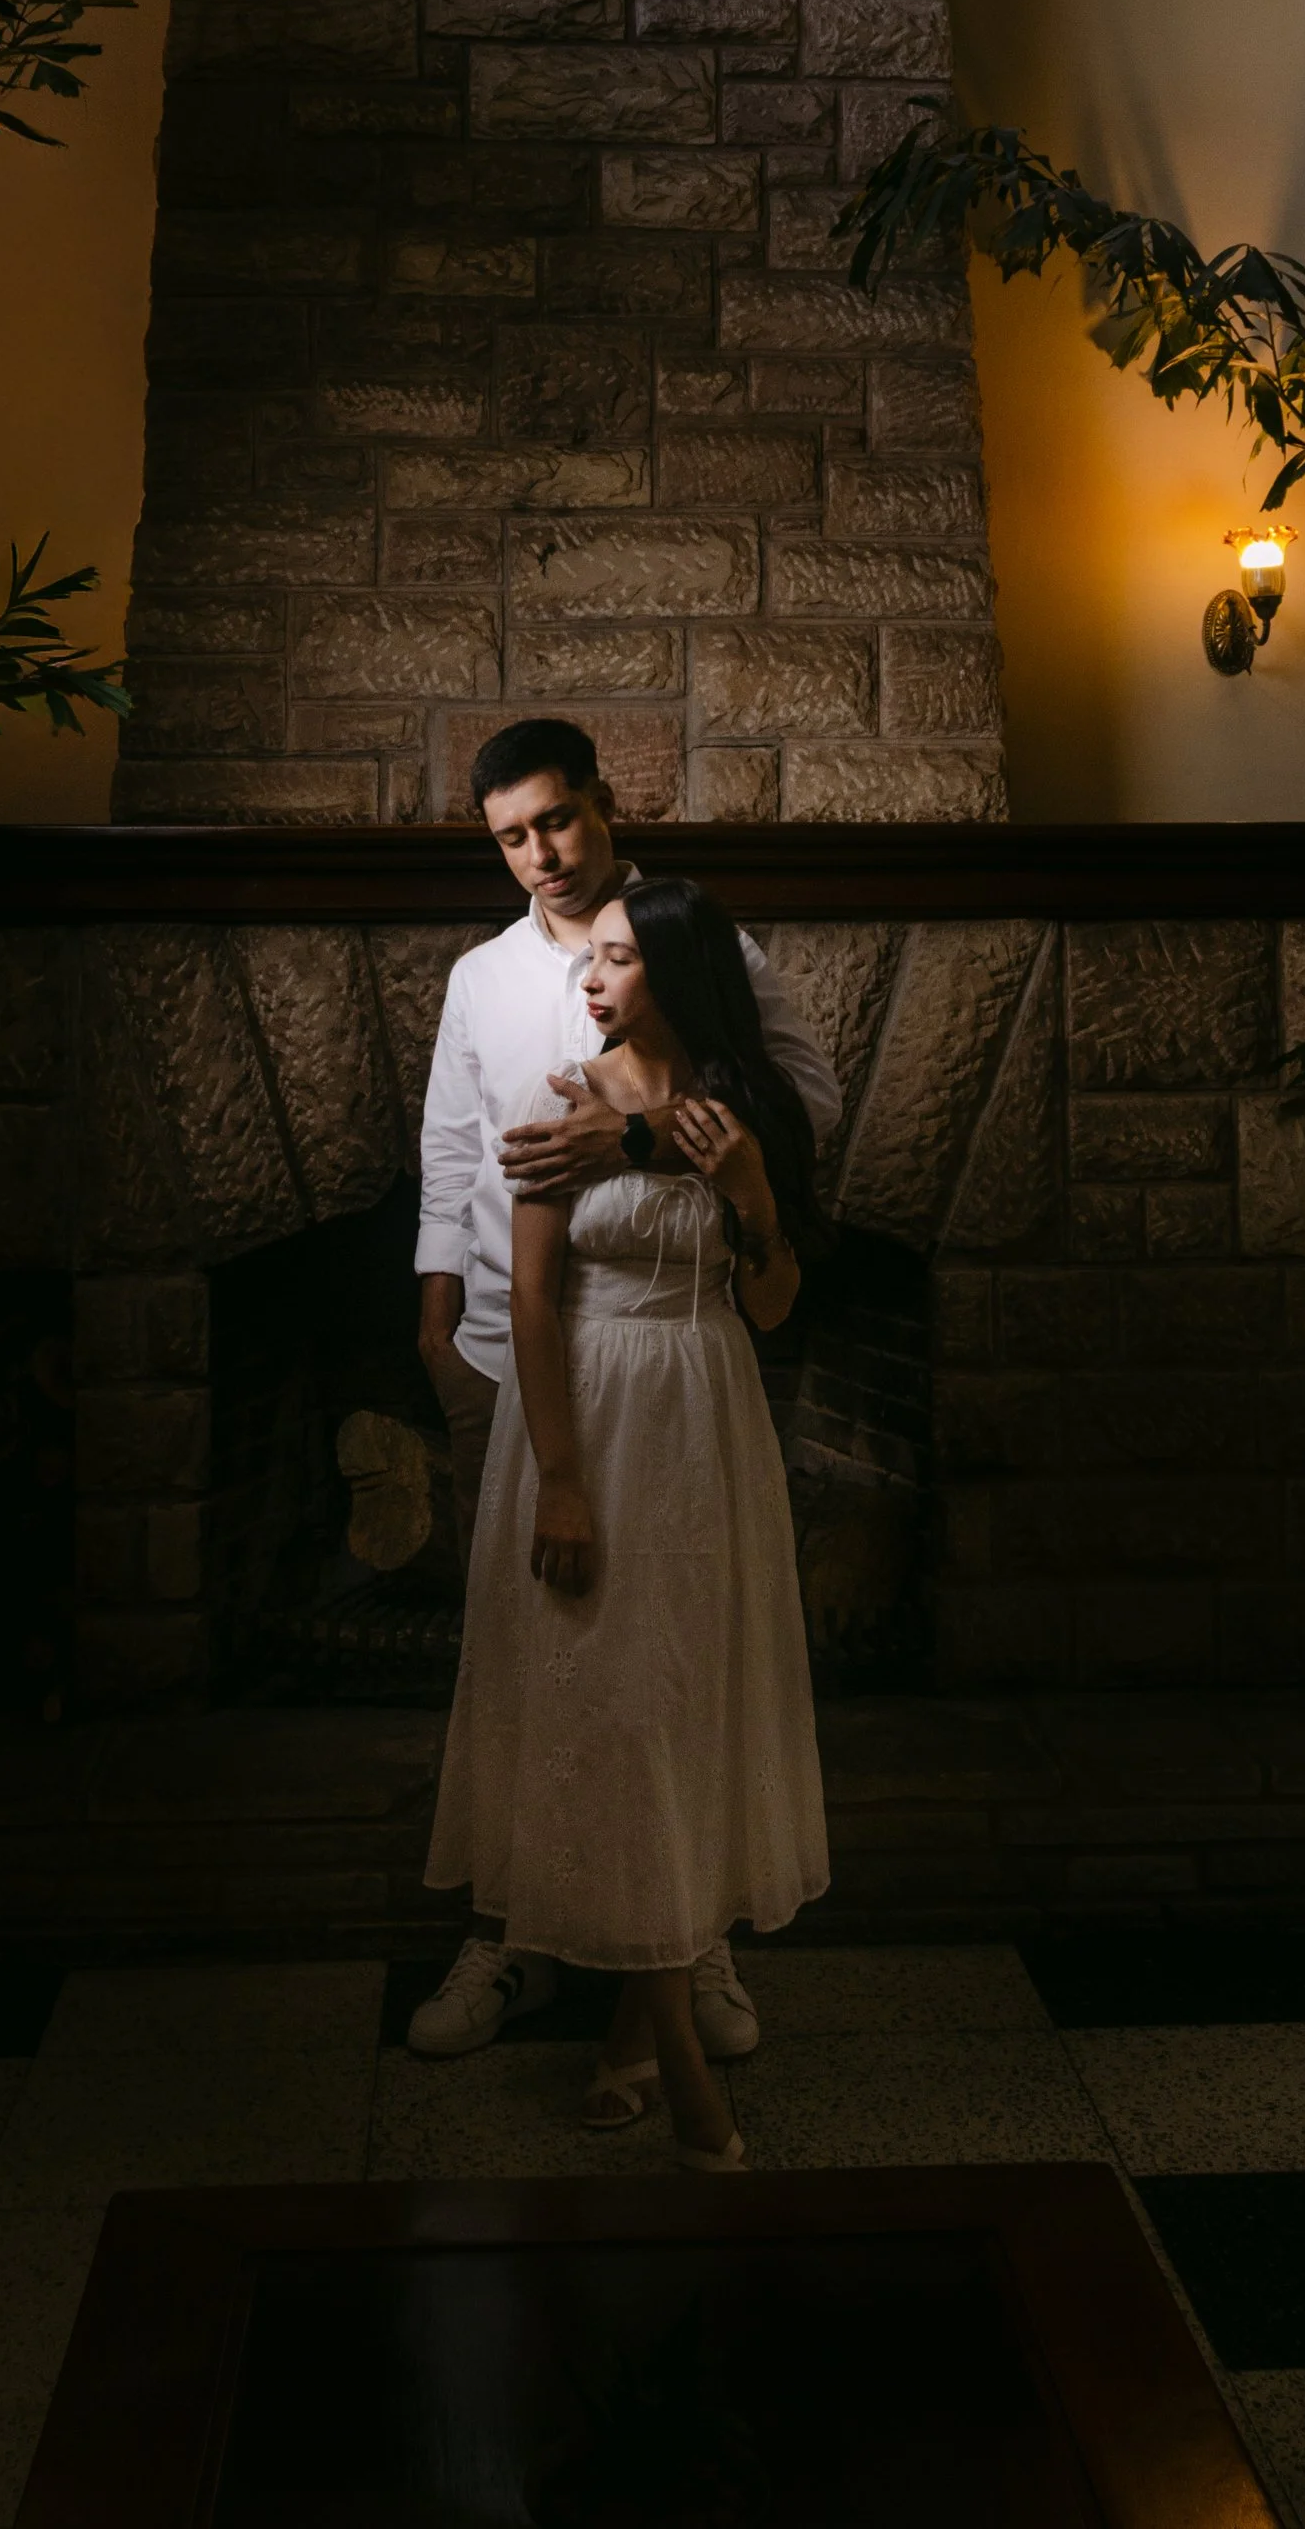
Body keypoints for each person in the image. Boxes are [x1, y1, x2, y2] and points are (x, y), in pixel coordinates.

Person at [406, 719, 840, 2064]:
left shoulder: (707, 945)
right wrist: (436, 1302)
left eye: (558, 822)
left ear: (604, 805)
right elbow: (451, 1140)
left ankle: (684, 1931)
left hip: (674, 1349)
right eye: (513, 836)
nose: (540, 855)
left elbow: (799, 1103)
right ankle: (522, 1928)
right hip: (518, 1335)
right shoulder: (482, 977)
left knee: (668, 1656)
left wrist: (637, 1133)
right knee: (548, 1655)